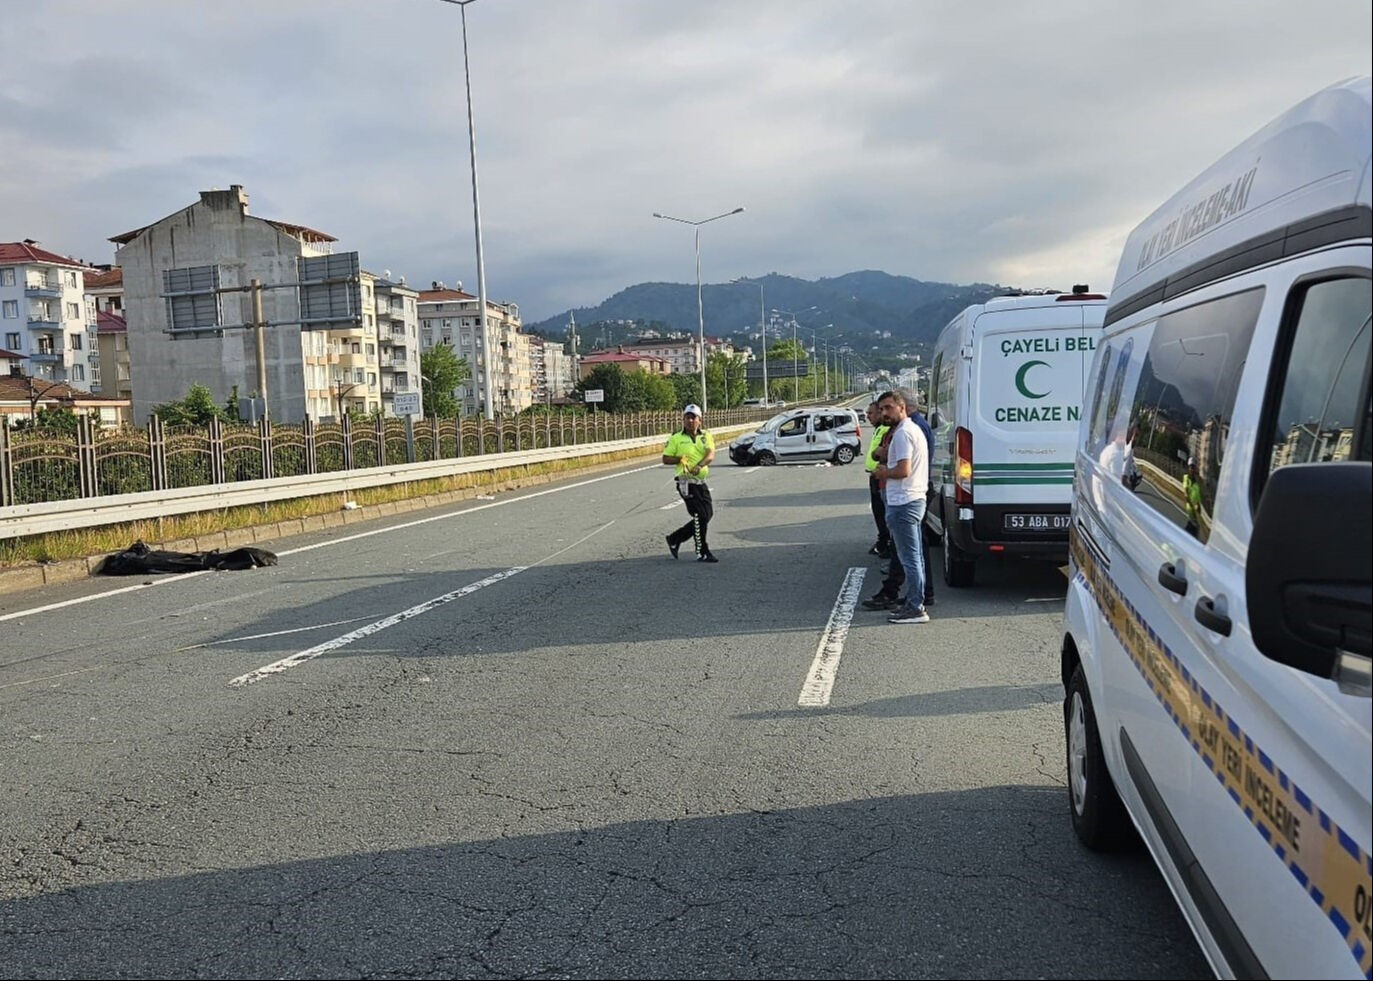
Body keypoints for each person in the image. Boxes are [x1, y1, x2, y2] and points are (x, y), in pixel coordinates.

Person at [862, 391, 936, 611]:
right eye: (881, 409)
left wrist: (884, 473)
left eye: (888, 408)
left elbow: (904, 469)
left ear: (902, 407)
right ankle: (917, 599)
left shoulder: (904, 433)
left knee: (910, 557)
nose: (883, 413)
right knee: (913, 555)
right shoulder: (908, 430)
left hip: (905, 500)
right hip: (910, 498)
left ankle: (915, 606)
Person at [663, 404, 718, 563]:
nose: (690, 420)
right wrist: (679, 459)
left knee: (707, 515)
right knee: (700, 515)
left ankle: (675, 538)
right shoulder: (676, 438)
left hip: (700, 480)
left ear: (700, 420)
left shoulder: (705, 436)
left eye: (694, 417)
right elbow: (665, 458)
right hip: (685, 481)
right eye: (687, 417)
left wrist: (700, 465)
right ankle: (702, 551)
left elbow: (710, 454)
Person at [864, 401, 891, 557]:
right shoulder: (879, 429)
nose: (868, 416)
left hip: (881, 476)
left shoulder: (886, 430)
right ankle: (883, 541)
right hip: (875, 475)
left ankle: (885, 543)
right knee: (878, 511)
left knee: (882, 511)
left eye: (871, 413)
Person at [1183, 456, 1203, 537]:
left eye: (1193, 467)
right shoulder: (1186, 478)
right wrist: (1193, 505)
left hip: (1196, 512)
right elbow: (1186, 493)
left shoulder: (1197, 481)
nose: (1192, 469)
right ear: (1188, 467)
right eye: (1190, 467)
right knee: (1191, 532)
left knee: (1193, 532)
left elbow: (1199, 496)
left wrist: (1197, 505)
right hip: (1191, 509)